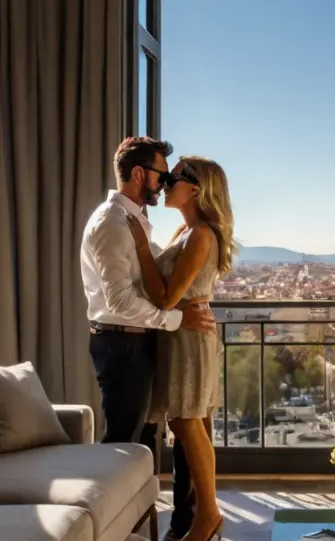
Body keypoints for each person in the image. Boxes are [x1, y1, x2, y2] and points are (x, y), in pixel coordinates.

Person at [79, 137, 216, 538]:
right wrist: (177, 320)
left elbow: (158, 277)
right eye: (161, 174)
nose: (165, 181)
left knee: (154, 437)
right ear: (139, 174)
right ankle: (114, 530)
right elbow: (120, 300)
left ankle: (182, 524)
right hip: (122, 343)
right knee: (126, 442)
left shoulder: (136, 221)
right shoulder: (111, 223)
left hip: (141, 340)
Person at [126, 156, 235, 541]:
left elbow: (168, 298)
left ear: (196, 189)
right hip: (181, 335)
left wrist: (140, 247)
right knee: (193, 423)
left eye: (174, 178)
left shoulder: (200, 234)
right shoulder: (185, 232)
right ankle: (207, 516)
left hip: (188, 337)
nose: (166, 182)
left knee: (188, 421)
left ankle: (208, 516)